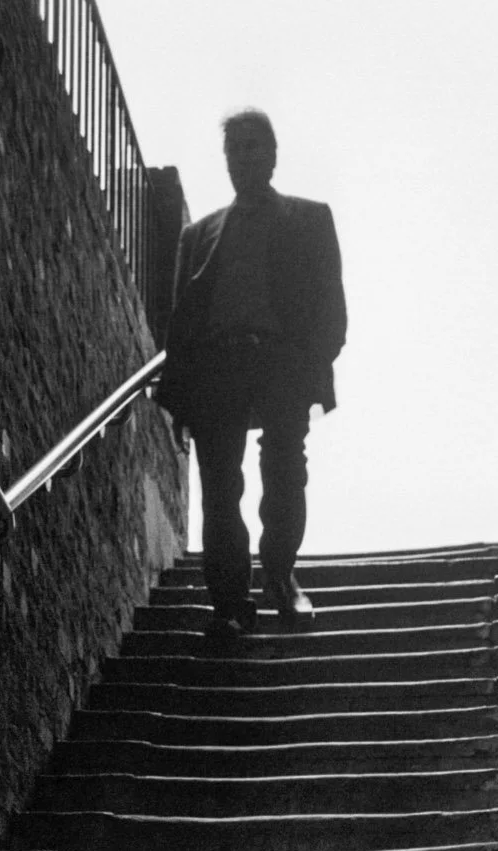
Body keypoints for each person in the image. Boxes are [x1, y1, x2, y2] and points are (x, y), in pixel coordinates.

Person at [154, 109, 346, 643]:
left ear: (273, 153)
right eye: (235, 149)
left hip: (281, 365)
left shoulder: (310, 219)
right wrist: (179, 398)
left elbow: (332, 310)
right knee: (219, 490)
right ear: (227, 160)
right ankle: (231, 603)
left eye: (254, 147)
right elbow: (181, 322)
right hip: (217, 371)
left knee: (285, 473)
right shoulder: (199, 235)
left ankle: (280, 576)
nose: (244, 158)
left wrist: (310, 366)